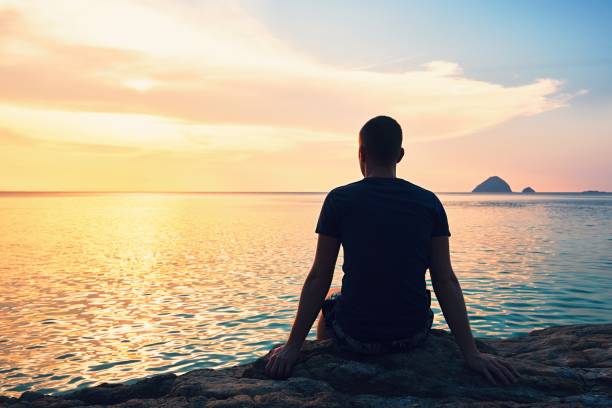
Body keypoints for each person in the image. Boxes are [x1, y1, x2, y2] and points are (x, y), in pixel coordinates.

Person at [264, 115, 519, 385]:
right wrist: (471, 353)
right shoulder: (428, 202)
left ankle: (331, 366)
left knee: (330, 294)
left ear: (361, 153)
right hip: (412, 336)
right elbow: (445, 279)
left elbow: (319, 275)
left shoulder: (339, 199)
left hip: (356, 339)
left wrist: (293, 347)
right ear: (400, 154)